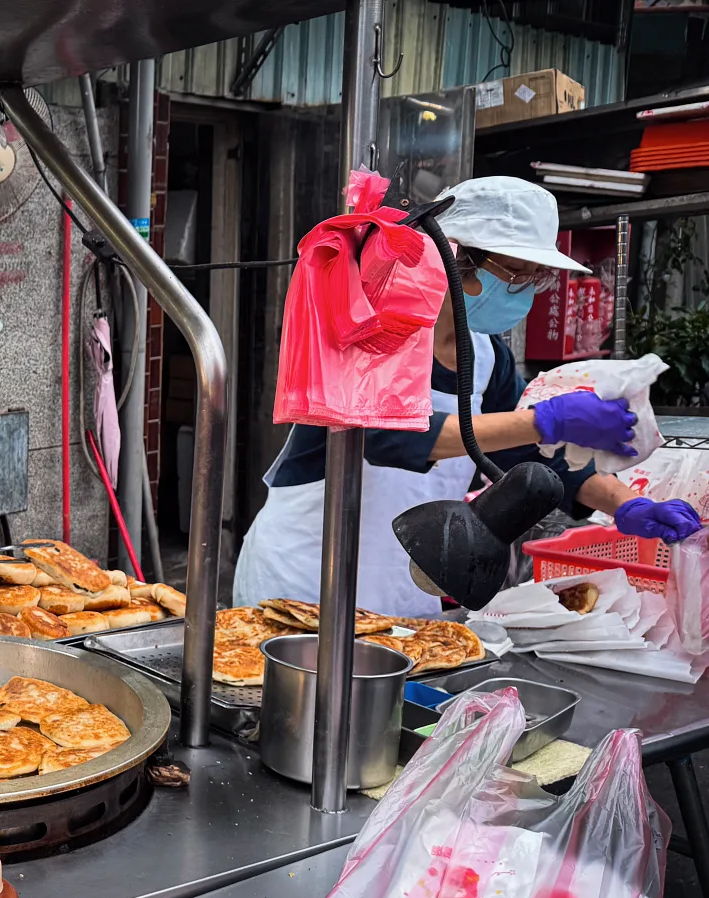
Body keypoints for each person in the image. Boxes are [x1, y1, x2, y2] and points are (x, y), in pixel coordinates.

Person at [234, 175, 702, 616]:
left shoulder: (486, 355)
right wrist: (545, 420)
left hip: (404, 583)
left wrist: (626, 505)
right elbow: (389, 438)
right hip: (303, 578)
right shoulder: (373, 327)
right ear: (455, 259)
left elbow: (536, 454)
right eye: (516, 273)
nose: (521, 293)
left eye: (534, 279)